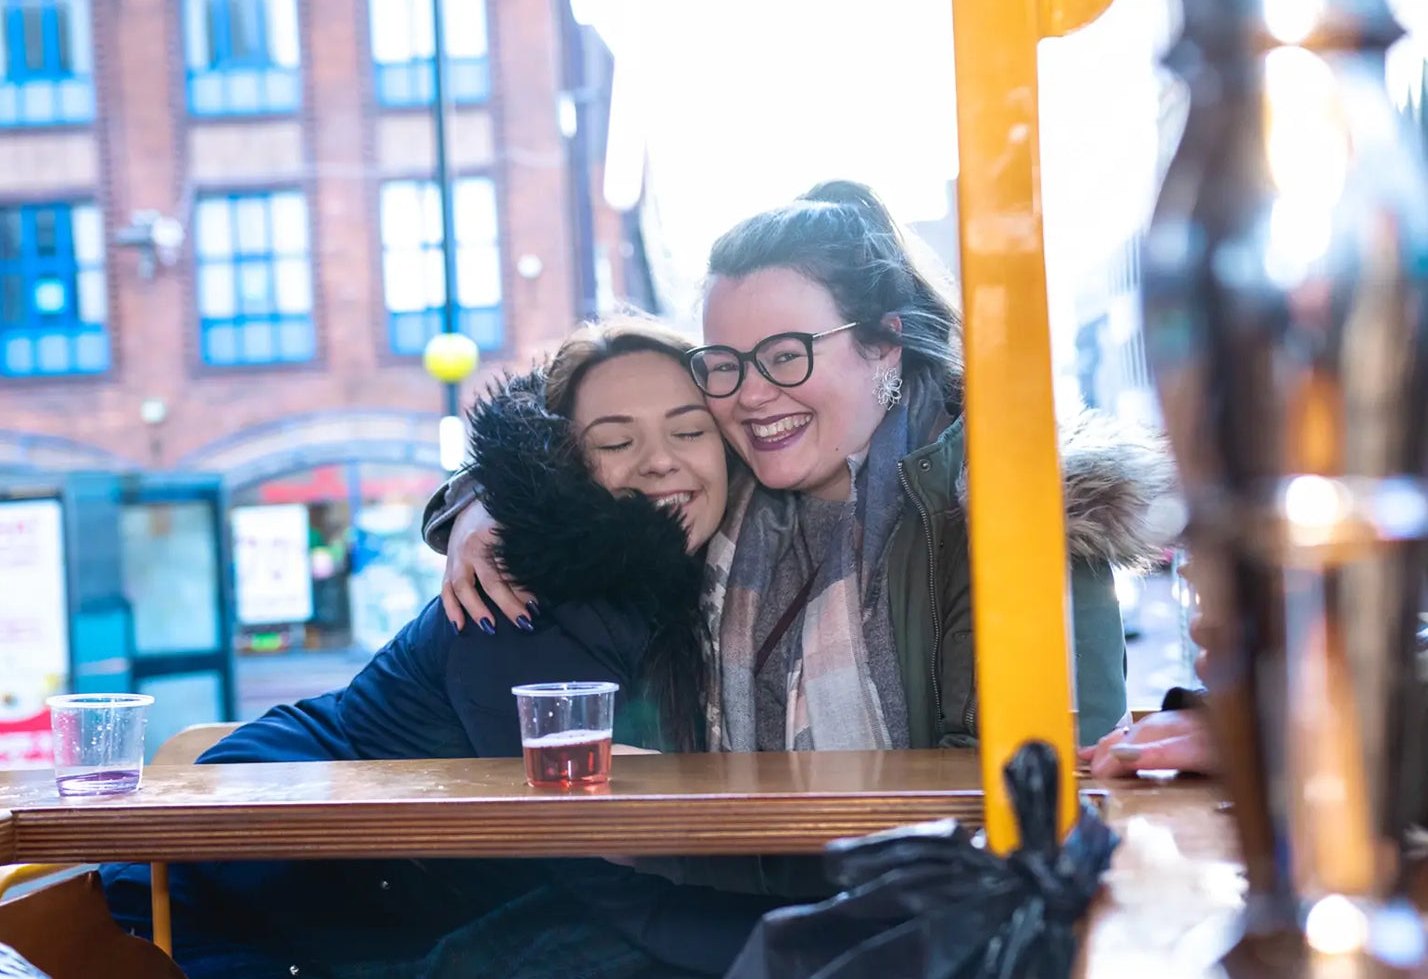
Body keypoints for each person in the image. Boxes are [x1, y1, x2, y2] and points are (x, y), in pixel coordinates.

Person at [99, 315, 789, 979]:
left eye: (689, 430)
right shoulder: (519, 597)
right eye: (615, 443)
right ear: (570, 465)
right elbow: (614, 886)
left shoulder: (709, 569)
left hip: (420, 894)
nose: (661, 461)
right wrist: (829, 936)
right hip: (238, 886)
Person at [426, 180, 1176, 756]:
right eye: (725, 364)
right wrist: (484, 497)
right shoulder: (727, 475)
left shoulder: (1006, 510)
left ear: (886, 342)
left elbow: (1053, 780)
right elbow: (580, 401)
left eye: (786, 356)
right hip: (726, 903)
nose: (751, 395)